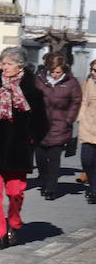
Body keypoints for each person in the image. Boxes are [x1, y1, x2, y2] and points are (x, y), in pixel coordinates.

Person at [0, 47, 47, 251]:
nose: (2, 67)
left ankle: (14, 223)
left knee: (16, 193)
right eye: (1, 63)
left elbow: (42, 122)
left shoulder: (32, 91)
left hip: (18, 151)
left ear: (20, 66)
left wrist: (31, 139)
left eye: (7, 63)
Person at [35, 52, 81, 199]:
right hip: (40, 125)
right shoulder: (39, 80)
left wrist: (69, 119)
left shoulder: (71, 83)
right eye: (52, 71)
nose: (55, 75)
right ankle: (43, 180)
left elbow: (76, 101)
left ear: (63, 70)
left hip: (60, 125)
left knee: (54, 158)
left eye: (58, 72)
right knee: (40, 157)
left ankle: (51, 188)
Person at [79, 59, 96, 204]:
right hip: (88, 126)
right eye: (92, 70)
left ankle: (93, 190)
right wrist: (81, 118)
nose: (93, 73)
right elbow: (83, 101)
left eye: (95, 71)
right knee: (87, 159)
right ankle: (92, 183)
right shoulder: (89, 83)